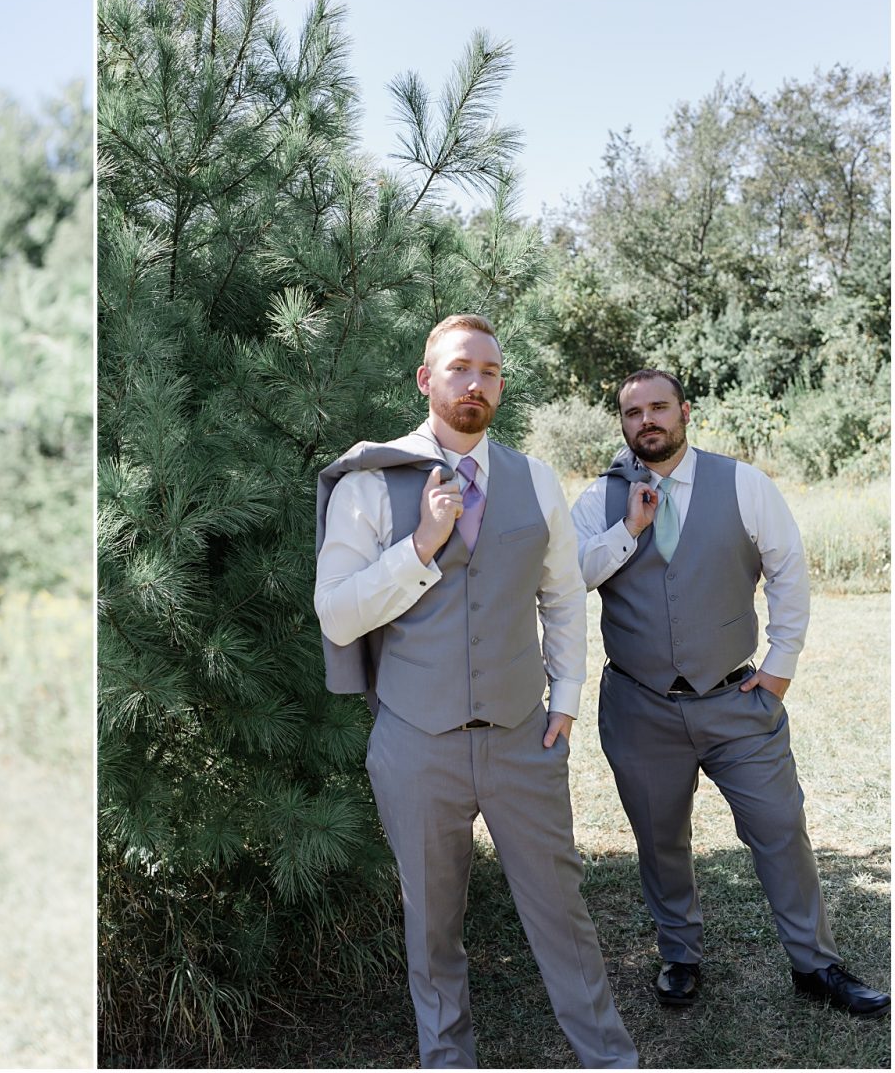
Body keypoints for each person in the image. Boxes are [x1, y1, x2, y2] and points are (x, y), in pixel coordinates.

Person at [314, 313, 637, 1069]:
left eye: (490, 371)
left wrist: (566, 696)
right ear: (428, 379)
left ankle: (610, 1060)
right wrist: (420, 546)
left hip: (524, 735)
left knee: (563, 914)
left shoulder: (534, 478)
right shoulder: (367, 482)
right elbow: (336, 613)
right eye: (460, 368)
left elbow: (561, 593)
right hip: (414, 742)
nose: (476, 383)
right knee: (431, 925)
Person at [571, 368, 889, 1018]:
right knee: (660, 840)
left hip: (736, 698)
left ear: (684, 411)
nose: (648, 421)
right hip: (639, 705)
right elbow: (570, 575)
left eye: (659, 407)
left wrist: (777, 667)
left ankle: (815, 963)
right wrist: (628, 529)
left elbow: (789, 571)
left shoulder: (744, 484)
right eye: (634, 412)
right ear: (624, 423)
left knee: (779, 825)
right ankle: (680, 955)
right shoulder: (597, 500)